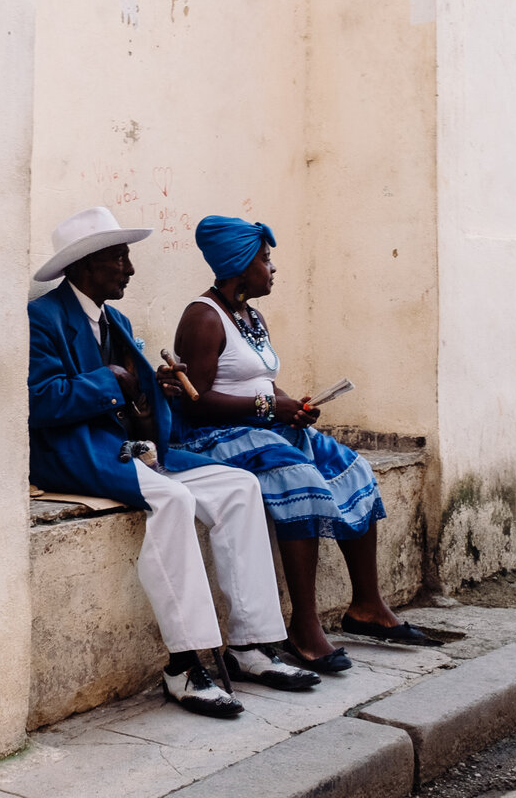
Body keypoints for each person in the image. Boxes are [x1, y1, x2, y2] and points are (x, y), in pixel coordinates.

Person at [28, 207, 319, 719]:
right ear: (85, 265)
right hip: (73, 453)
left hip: (126, 449)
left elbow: (138, 407)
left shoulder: (115, 320)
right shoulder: (43, 318)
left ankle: (251, 644)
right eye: (120, 258)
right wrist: (112, 381)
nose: (131, 270)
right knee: (173, 497)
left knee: (239, 486)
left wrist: (154, 392)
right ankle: (184, 665)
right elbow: (40, 402)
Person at [169, 215, 440, 674]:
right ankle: (304, 626)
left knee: (354, 469)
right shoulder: (203, 317)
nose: (272, 269)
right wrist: (266, 408)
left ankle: (367, 606)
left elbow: (260, 381)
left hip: (262, 427)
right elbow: (195, 404)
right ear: (240, 266)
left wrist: (290, 405)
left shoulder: (251, 315)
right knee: (301, 481)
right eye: (265, 260)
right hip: (215, 438)